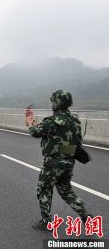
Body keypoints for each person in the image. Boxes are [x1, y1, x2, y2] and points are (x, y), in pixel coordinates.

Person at [26, 90, 92, 230]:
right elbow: (71, 140)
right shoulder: (75, 121)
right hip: (69, 161)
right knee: (66, 191)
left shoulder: (52, 121)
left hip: (53, 163)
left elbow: (36, 133)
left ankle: (46, 222)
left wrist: (30, 123)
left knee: (44, 188)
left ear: (56, 103)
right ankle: (85, 214)